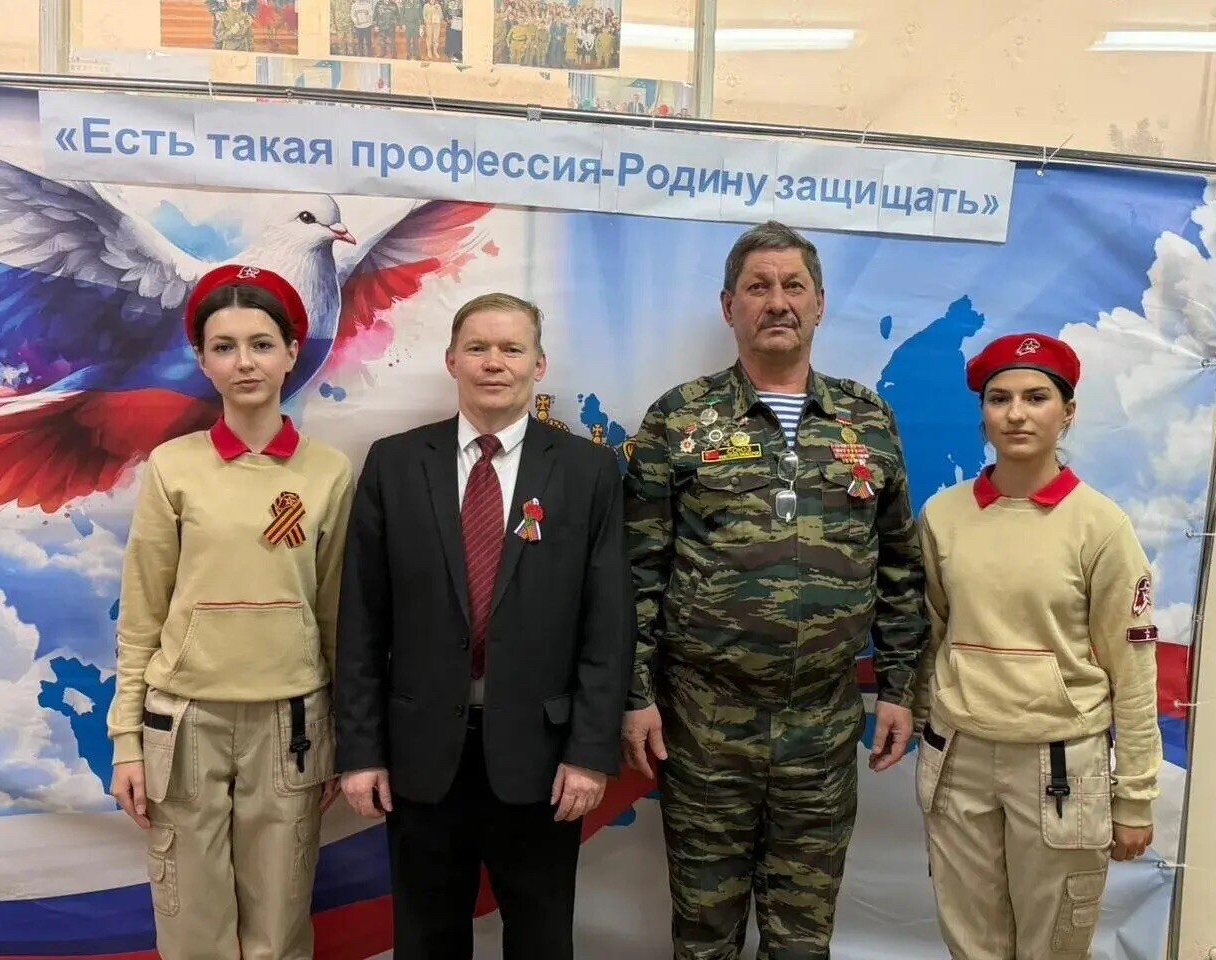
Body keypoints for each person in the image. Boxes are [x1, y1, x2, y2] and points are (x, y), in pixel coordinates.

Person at [623, 220, 928, 959]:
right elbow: (638, 571)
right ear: (729, 306)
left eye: (794, 286)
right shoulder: (679, 418)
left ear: (819, 303)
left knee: (802, 939)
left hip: (823, 725)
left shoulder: (867, 418)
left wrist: (898, 688)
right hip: (704, 723)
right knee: (704, 935)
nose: (778, 301)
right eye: (758, 287)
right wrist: (635, 695)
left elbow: (898, 564)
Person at [336, 292, 635, 960]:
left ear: (539, 364)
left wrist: (590, 752)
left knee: (540, 942)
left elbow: (608, 624)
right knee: (426, 942)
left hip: (543, 759)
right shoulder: (394, 463)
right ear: (451, 360)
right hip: (420, 755)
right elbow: (361, 618)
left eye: (511, 348)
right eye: (477, 347)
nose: (493, 362)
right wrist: (360, 751)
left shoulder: (587, 471)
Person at [106, 264, 353, 959]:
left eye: (261, 343)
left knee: (280, 926)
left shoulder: (329, 472)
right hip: (184, 724)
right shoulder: (172, 467)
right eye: (224, 346)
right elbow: (142, 615)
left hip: (292, 724)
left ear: (291, 353)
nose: (245, 361)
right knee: (193, 930)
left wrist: (341, 737)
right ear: (203, 360)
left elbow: (336, 616)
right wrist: (127, 742)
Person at [913, 333, 1160, 960]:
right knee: (971, 944)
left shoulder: (1101, 526)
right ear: (983, 413)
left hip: (1060, 766)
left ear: (1067, 412)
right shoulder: (943, 516)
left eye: (1036, 397)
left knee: (1053, 947)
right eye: (999, 399)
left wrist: (1134, 797)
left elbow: (1133, 671)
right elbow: (930, 636)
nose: (1016, 414)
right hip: (960, 758)